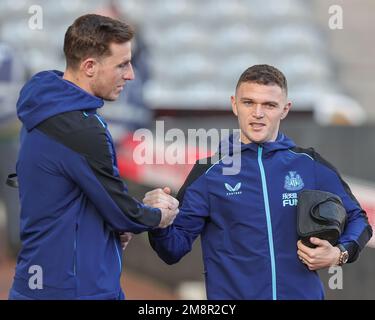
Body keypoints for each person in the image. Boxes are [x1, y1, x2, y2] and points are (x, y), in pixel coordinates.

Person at [145, 64, 373, 300]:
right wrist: (158, 220)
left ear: (285, 109)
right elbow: (172, 249)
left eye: (269, 105)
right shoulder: (209, 172)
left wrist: (338, 254)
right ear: (235, 104)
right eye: (249, 102)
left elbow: (359, 220)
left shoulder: (309, 164)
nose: (258, 113)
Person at [8, 14, 178, 300]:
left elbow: (74, 196)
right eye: (122, 64)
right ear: (89, 67)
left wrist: (113, 226)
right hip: (76, 289)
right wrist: (159, 215)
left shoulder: (46, 106)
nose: (131, 74)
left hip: (41, 283)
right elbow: (122, 213)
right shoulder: (79, 127)